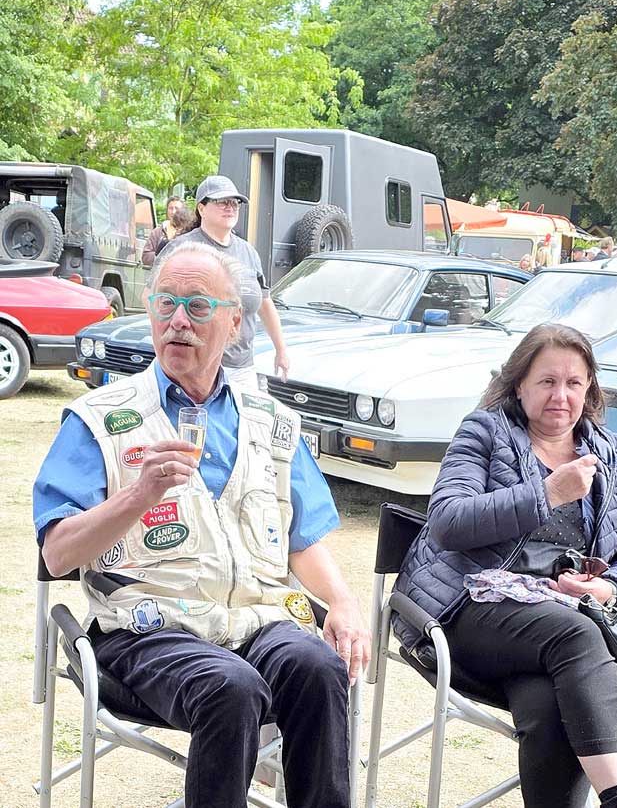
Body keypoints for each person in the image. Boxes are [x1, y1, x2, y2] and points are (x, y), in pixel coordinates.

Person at [33, 242, 369, 808]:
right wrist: (138, 495)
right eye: (166, 305)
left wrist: (342, 600)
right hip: (146, 629)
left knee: (318, 668)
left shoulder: (272, 423)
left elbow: (301, 539)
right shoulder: (102, 418)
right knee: (230, 687)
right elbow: (57, 555)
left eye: (197, 306)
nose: (178, 321)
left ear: (235, 322)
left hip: (256, 622)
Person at [394, 324, 617, 808]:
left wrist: (609, 590)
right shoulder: (485, 431)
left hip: (557, 633)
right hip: (469, 607)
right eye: (546, 382)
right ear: (518, 385)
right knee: (574, 635)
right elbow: (447, 521)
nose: (561, 395)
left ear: (590, 388)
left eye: (574, 383)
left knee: (550, 706)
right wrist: (548, 493)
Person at [159, 175, 289, 389]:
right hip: (196, 367)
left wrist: (281, 350)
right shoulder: (180, 249)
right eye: (222, 202)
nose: (230, 208)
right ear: (201, 208)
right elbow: (153, 298)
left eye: (234, 203)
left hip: (243, 368)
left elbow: (265, 303)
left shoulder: (248, 252)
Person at [141, 196, 186, 267]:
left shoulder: (188, 232)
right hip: (160, 275)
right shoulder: (157, 232)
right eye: (171, 208)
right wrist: (160, 255)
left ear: (183, 211)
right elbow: (145, 257)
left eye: (177, 208)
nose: (173, 212)